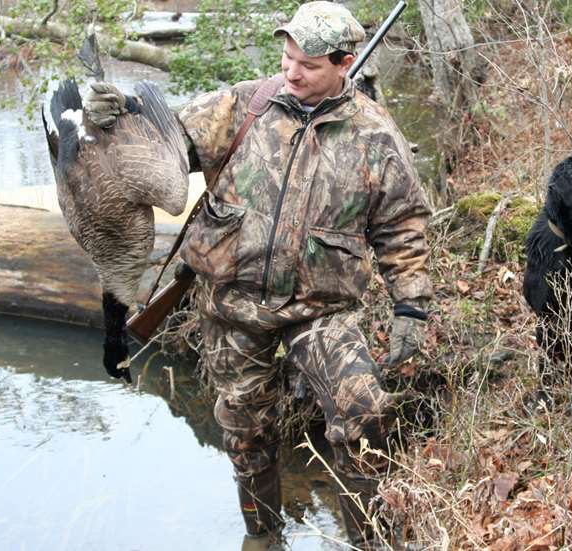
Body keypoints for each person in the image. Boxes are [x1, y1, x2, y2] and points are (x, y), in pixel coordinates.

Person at [83, 2, 433, 547]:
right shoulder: (246, 103)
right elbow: (165, 146)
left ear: (344, 63)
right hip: (231, 305)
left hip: (319, 310)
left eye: (307, 65)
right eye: (287, 57)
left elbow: (403, 224)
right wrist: (119, 113)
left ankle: (370, 540)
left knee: (363, 410)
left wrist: (411, 303)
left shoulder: (375, 135)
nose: (290, 72)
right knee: (247, 433)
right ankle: (264, 536)